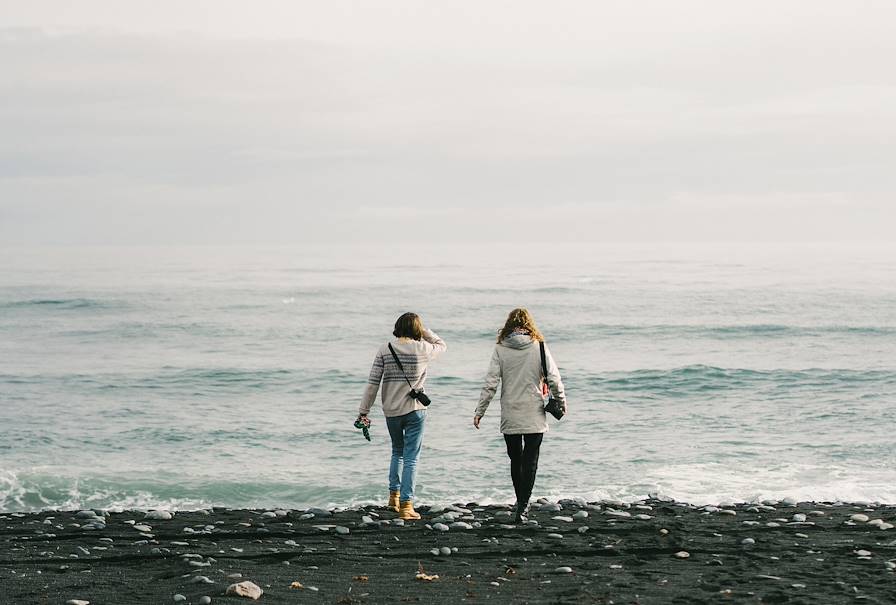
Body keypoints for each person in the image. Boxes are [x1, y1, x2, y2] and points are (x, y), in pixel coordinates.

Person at [473, 308, 566, 523]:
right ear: (529, 325)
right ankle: (523, 506)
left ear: (508, 325)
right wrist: (561, 401)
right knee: (530, 461)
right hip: (534, 411)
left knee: (516, 459)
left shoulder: (500, 348)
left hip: (510, 412)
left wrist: (480, 411)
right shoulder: (539, 346)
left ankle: (520, 501)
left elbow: (491, 383)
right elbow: (554, 378)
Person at [358, 312, 446, 520]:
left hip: (391, 411)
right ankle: (407, 506)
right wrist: (423, 331)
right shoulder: (423, 348)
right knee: (411, 458)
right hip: (415, 409)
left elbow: (373, 384)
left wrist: (364, 411)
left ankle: (393, 498)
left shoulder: (385, 349)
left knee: (397, 451)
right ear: (417, 330)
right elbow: (441, 344)